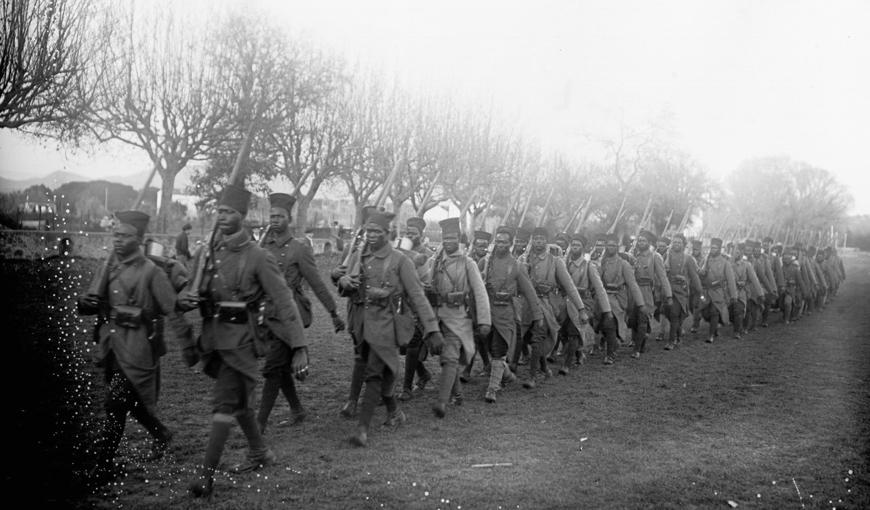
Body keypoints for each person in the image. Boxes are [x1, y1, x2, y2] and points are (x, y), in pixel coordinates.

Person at [178, 184, 309, 498]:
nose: (223, 217)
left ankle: (206, 478)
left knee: (224, 401)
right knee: (239, 405)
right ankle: (260, 452)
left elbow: (285, 301)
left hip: (243, 342)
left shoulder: (259, 256)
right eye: (220, 211)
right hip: (213, 339)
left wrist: (300, 346)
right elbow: (185, 292)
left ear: (243, 215)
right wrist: (188, 299)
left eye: (230, 212)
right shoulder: (206, 252)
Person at [76, 211, 181, 484]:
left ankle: (104, 464)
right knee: (126, 402)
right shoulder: (108, 265)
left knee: (115, 402)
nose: (118, 240)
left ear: (140, 239)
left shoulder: (151, 271)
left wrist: (190, 346)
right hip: (111, 343)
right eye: (116, 235)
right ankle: (161, 433)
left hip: (137, 345)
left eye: (125, 236)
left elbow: (172, 309)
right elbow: (94, 299)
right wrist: (86, 304)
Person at [335, 211, 443, 447]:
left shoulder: (400, 261)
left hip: (386, 323)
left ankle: (362, 429)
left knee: (374, 372)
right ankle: (394, 412)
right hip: (362, 322)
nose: (372, 235)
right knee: (375, 373)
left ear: (388, 234)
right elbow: (346, 280)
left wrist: (431, 329)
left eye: (377, 232)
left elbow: (417, 295)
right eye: (369, 231)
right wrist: (344, 283)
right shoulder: (360, 255)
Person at [256, 193, 345, 434]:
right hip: (267, 314)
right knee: (281, 367)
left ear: (290, 218)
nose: (275, 220)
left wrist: (333, 311)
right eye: (272, 216)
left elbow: (316, 282)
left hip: (290, 315)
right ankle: (297, 410)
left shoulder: (299, 248)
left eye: (280, 216)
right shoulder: (262, 246)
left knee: (274, 367)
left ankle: (259, 424)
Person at [423, 218, 491, 416]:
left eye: (452, 237)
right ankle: (458, 395)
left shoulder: (468, 263)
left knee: (450, 356)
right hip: (437, 315)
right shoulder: (435, 260)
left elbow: (480, 292)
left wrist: (485, 320)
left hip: (458, 316)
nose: (448, 241)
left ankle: (441, 403)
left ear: (459, 239)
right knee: (444, 356)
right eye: (445, 238)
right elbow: (426, 282)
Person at [478, 226, 541, 402]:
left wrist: (538, 316)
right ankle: (507, 375)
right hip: (487, 312)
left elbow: (529, 292)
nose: (500, 245)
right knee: (490, 350)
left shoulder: (517, 265)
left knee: (499, 350)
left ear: (511, 243)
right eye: (498, 241)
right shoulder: (485, 262)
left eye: (504, 242)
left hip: (506, 314)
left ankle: (492, 389)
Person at [519, 226, 588, 386]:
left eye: (542, 239)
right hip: (526, 305)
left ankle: (532, 377)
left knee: (538, 337)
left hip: (546, 305)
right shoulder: (523, 259)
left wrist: (581, 309)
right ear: (532, 240)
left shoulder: (555, 261)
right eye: (536, 239)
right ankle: (544, 368)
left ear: (546, 241)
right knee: (526, 338)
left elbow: (569, 285)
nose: (538, 242)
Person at [396, 216, 436, 401]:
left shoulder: (427, 254)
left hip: (421, 305)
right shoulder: (399, 251)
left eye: (414, 233)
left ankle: (406, 388)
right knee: (403, 346)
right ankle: (424, 374)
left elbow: (427, 282)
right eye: (407, 232)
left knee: (412, 345)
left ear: (422, 234)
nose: (409, 235)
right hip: (401, 305)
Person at [561, 233, 612, 374]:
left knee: (573, 330)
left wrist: (606, 310)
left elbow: (599, 288)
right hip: (565, 301)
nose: (574, 248)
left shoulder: (589, 266)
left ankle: (567, 364)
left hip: (584, 302)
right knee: (563, 332)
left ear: (583, 248)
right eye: (573, 245)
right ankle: (578, 353)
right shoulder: (563, 263)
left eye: (578, 245)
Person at [598, 233, 645, 364]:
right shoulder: (603, 262)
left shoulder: (624, 264)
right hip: (604, 298)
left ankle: (610, 354)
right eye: (608, 245)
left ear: (617, 247)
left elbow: (633, 284)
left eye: (613, 245)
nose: (611, 247)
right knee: (603, 326)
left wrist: (640, 303)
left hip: (618, 299)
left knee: (610, 324)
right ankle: (613, 345)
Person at [629, 230, 671, 359]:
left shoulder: (655, 257)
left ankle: (637, 349)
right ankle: (641, 339)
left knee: (642, 318)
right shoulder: (633, 255)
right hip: (632, 292)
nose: (641, 243)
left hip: (647, 291)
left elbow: (663, 277)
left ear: (649, 243)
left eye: (643, 241)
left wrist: (668, 295)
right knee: (633, 320)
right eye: (639, 240)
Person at [662, 234, 702, 350]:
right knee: (669, 314)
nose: (676, 244)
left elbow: (694, 276)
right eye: (674, 242)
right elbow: (661, 273)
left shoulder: (688, 259)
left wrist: (699, 291)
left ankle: (671, 341)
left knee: (674, 314)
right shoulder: (667, 256)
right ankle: (678, 334)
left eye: (679, 242)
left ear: (684, 245)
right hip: (668, 290)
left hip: (681, 292)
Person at [698, 237, 738, 343]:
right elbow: (702, 272)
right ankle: (714, 329)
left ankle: (710, 335)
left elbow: (731, 280)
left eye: (715, 248)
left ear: (720, 249)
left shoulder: (725, 263)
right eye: (712, 247)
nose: (713, 249)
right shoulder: (707, 260)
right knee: (705, 313)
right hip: (707, 291)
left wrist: (733, 295)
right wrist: (701, 272)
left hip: (718, 291)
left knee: (714, 311)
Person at [730, 243, 765, 339]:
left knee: (740, 310)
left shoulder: (747, 265)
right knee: (730, 313)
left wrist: (760, 293)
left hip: (742, 291)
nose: (735, 254)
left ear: (741, 253)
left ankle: (738, 330)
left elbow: (755, 279)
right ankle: (738, 325)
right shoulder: (727, 263)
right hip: (727, 293)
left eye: (737, 252)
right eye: (734, 252)